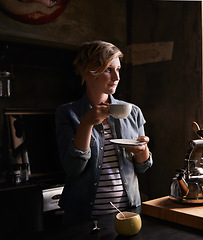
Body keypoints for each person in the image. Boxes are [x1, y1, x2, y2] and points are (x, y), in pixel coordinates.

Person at [55, 40, 153, 225]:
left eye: (118, 69)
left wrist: (142, 151)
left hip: (128, 213)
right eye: (109, 69)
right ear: (88, 71)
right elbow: (73, 168)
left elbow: (143, 167)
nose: (116, 77)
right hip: (83, 218)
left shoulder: (133, 112)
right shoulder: (67, 113)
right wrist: (86, 123)